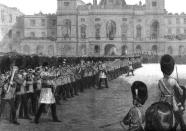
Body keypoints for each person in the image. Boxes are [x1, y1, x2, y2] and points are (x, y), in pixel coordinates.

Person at [157, 54, 186, 131]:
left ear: (162, 68)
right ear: (172, 69)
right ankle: (183, 125)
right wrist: (180, 89)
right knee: (178, 112)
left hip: (162, 100)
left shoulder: (160, 81)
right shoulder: (173, 81)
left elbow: (160, 90)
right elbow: (181, 91)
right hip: (171, 100)